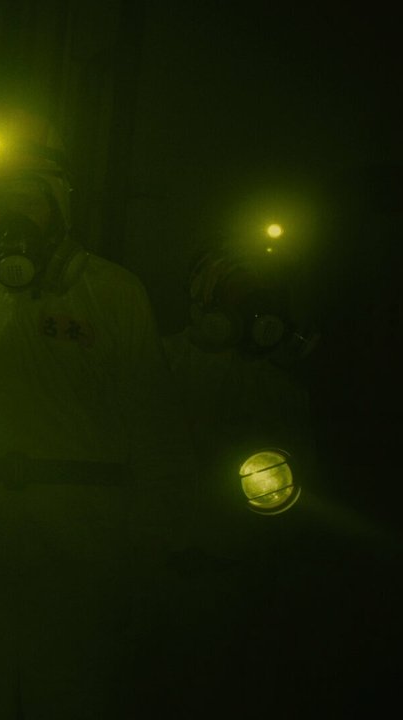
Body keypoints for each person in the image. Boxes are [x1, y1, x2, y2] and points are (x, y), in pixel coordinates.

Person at [0, 109, 193, 718]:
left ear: (59, 207)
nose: (14, 221)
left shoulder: (112, 295)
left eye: (29, 202)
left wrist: (157, 551)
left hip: (84, 553)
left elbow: (155, 430)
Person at [136, 241, 319, 715]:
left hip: (238, 579)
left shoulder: (280, 391)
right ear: (205, 303)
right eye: (233, 297)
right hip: (157, 572)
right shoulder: (155, 363)